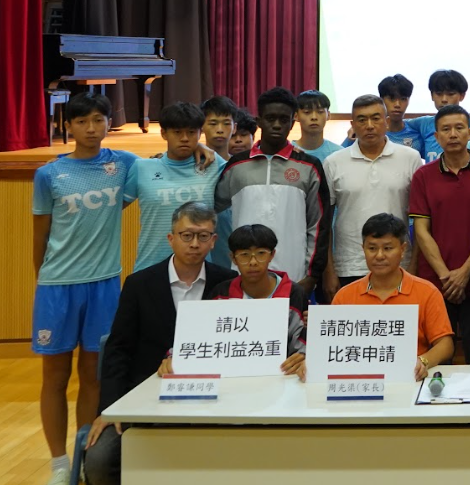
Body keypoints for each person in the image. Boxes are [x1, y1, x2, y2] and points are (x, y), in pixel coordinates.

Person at [84, 202, 236, 485]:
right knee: (99, 460)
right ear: (171, 238)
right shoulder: (139, 284)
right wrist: (110, 408)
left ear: (214, 240)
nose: (194, 244)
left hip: (210, 400)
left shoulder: (228, 283)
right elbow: (118, 350)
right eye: (186, 235)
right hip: (144, 400)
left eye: (203, 236)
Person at [31, 92, 139, 485]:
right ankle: (59, 464)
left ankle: (83, 456)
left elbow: (166, 165)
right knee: (55, 377)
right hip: (57, 288)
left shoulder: (124, 164)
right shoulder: (48, 175)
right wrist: (45, 281)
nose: (91, 129)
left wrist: (203, 151)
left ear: (109, 122)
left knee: (94, 376)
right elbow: (39, 237)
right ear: (69, 126)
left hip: (104, 284)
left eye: (98, 120)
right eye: (82, 122)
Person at [215, 87, 331, 301]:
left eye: (283, 119)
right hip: (243, 276)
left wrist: (312, 275)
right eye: (270, 119)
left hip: (295, 275)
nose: (277, 125)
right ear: (259, 121)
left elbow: (319, 225)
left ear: (292, 123)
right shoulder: (237, 165)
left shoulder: (309, 166)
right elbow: (212, 209)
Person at [409, 104, 470, 363]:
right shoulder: (422, 176)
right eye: (446, 129)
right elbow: (421, 231)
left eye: (459, 128)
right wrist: (446, 276)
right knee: (437, 358)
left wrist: (464, 272)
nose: (453, 134)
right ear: (436, 136)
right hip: (435, 283)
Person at [333, 214, 454, 380]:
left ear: (403, 249)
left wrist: (423, 361)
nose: (379, 255)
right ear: (363, 249)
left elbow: (445, 345)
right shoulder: (344, 296)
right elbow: (331, 346)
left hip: (411, 379)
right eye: (372, 248)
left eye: (388, 248)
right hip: (361, 380)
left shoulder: (427, 292)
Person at [324, 95, 423, 293]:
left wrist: (414, 264)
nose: (369, 126)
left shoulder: (410, 158)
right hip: (349, 265)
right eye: (362, 120)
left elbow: (421, 217)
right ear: (353, 124)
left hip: (399, 263)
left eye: (376, 118)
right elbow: (324, 222)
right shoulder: (334, 162)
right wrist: (329, 271)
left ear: (386, 121)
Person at [128, 102, 229, 272]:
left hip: (200, 269)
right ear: (163, 133)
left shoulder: (213, 164)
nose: (184, 138)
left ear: (200, 133)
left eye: (191, 132)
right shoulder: (142, 168)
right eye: (177, 132)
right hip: (151, 267)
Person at [207, 225, 308, 378]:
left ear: (272, 255)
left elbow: (303, 344)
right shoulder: (221, 294)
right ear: (233, 258)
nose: (253, 262)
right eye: (244, 255)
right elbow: (205, 337)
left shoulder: (294, 293)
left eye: (261, 253)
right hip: (232, 377)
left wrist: (303, 356)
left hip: (283, 376)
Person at [407, 69, 470, 162]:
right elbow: (397, 126)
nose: (444, 99)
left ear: (462, 96)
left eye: (450, 94)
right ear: (432, 95)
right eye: (439, 94)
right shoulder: (423, 124)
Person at [341, 74, 423, 152]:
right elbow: (339, 155)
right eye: (392, 99)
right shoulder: (365, 133)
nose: (397, 104)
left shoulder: (417, 134)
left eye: (403, 99)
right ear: (381, 100)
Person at [293, 89, 340, 162]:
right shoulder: (288, 152)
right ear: (296, 116)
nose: (314, 117)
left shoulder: (338, 153)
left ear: (328, 115)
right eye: (307, 112)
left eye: (320, 112)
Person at [200, 95, 238, 160]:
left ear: (234, 128)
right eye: (213, 124)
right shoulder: (193, 163)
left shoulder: (239, 164)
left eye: (226, 124)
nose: (220, 130)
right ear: (201, 127)